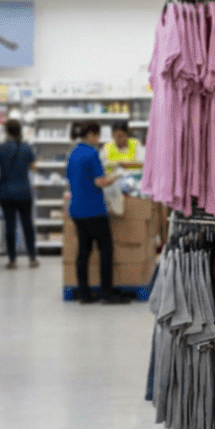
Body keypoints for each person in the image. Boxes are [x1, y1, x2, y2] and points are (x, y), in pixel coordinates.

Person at [66, 121, 128, 304]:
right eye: (98, 135)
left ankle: (84, 293)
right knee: (105, 250)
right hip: (94, 209)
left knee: (83, 251)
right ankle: (107, 293)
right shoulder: (92, 153)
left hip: (76, 209)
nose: (98, 139)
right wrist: (116, 176)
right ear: (91, 134)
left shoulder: (73, 153)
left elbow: (71, 178)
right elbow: (99, 181)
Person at [0, 119, 38, 269]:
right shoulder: (26, 147)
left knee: (10, 225)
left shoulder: (0, 148)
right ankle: (32, 257)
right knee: (27, 225)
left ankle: (12, 260)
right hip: (24, 192)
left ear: (6, 131)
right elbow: (33, 167)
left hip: (6, 192)